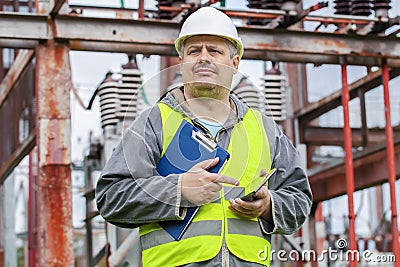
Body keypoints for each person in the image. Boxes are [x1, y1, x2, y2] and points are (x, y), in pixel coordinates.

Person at [96, 6, 312, 267]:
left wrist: (268, 206)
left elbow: (300, 200)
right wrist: (177, 191)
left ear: (234, 63)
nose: (204, 58)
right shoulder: (154, 123)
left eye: (215, 51)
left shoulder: (265, 129)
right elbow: (112, 197)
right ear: (181, 61)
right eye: (194, 51)